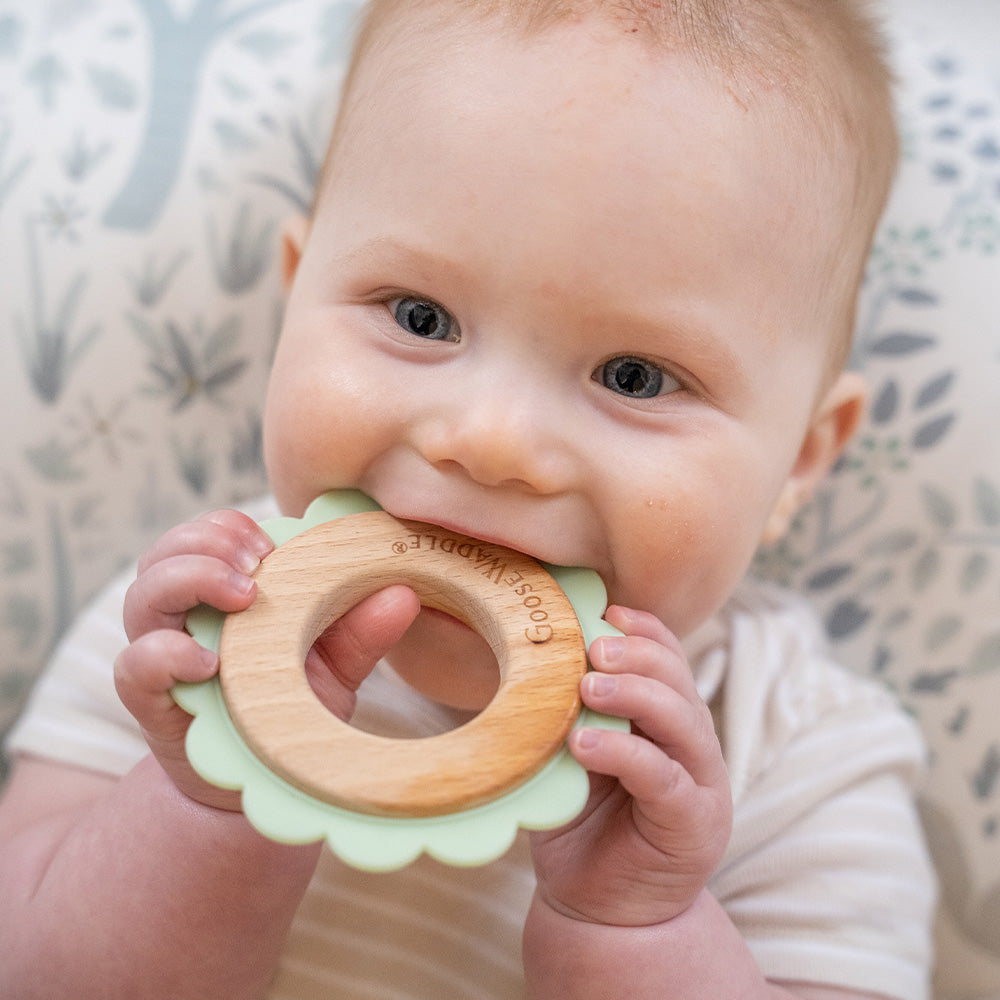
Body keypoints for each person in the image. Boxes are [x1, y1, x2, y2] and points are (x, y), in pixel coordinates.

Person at [0, 0, 936, 997]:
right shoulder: (189, 632)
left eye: (634, 377)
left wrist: (635, 925)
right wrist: (208, 799)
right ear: (295, 294)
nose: (490, 443)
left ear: (798, 459)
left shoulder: (803, 759)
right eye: (421, 316)